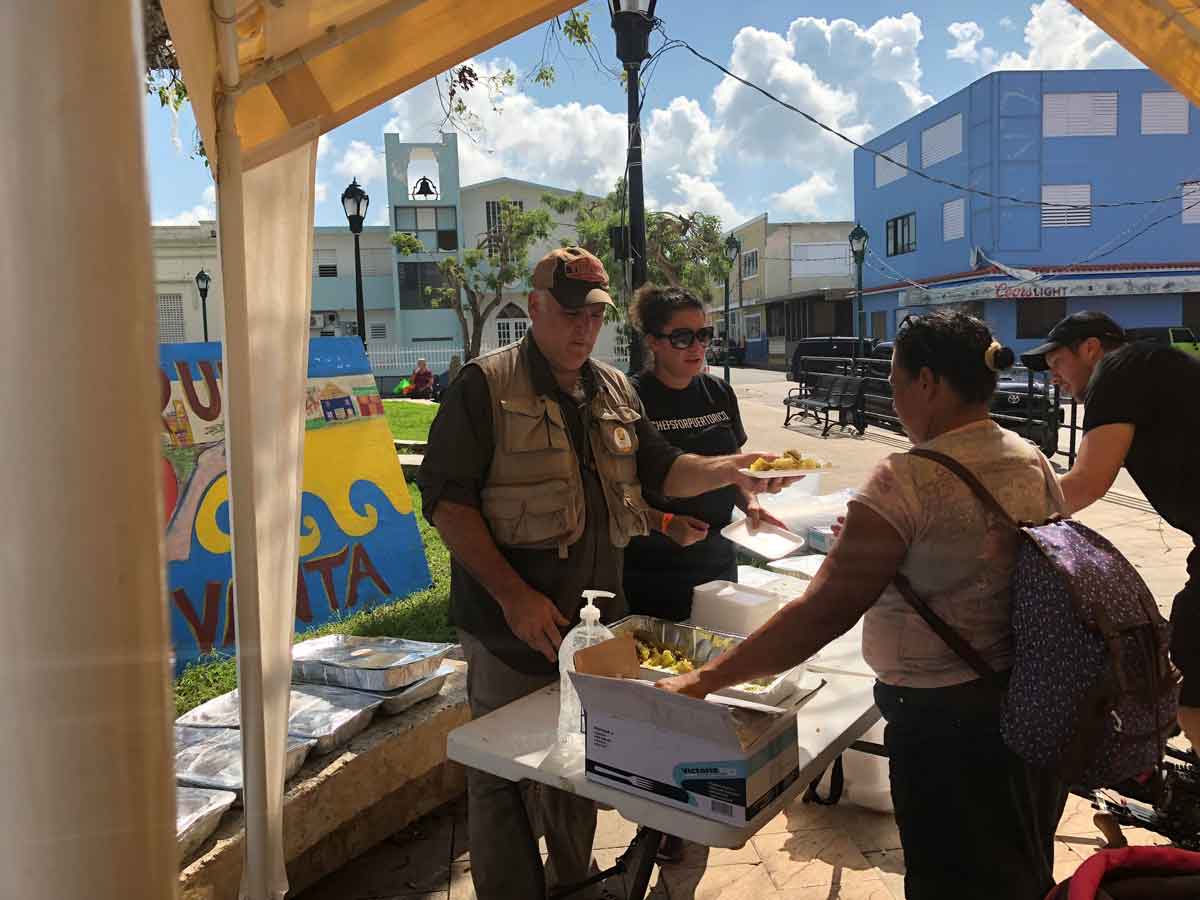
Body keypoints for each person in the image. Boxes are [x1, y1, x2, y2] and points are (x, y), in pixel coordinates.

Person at [416, 246, 795, 900]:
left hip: (596, 626)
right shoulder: (484, 387)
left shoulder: (613, 388)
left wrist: (734, 468)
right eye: (568, 314)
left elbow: (663, 468)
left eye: (594, 315)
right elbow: (447, 506)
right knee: (500, 776)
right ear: (534, 309)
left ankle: (573, 886)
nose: (583, 329)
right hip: (512, 629)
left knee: (579, 767)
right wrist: (513, 597)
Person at [660, 311, 1069, 900]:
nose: (893, 393)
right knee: (1017, 865)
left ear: (927, 382)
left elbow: (823, 611)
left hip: (944, 726)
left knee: (951, 878)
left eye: (896, 378)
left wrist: (707, 678)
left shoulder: (906, 478)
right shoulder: (1026, 455)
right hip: (1029, 704)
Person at [1022, 310, 1200, 750]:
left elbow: (1085, 483)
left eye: (1057, 362)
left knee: (1192, 676)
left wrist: (1004, 513)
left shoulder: (1115, 374)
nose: (1054, 378)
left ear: (1090, 348)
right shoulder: (1152, 365)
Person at [623, 284, 787, 622]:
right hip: (652, 569)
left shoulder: (719, 392)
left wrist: (751, 503)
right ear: (653, 341)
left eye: (704, 335)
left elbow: (734, 464)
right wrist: (664, 522)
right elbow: (616, 490)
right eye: (682, 337)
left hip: (718, 562)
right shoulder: (629, 398)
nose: (697, 347)